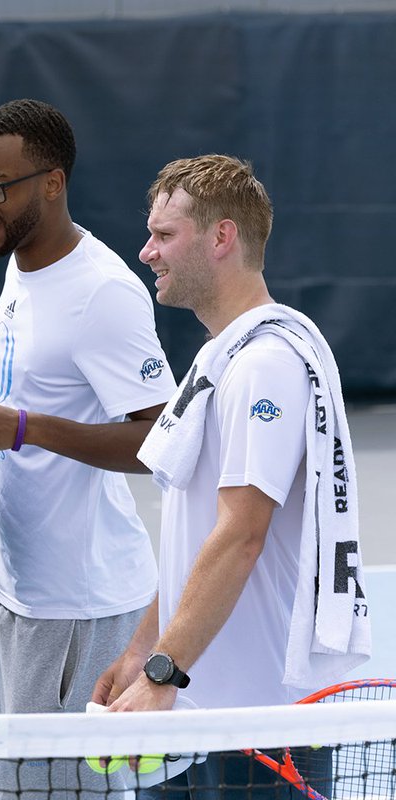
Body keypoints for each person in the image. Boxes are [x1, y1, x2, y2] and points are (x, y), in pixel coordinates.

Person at [0, 98, 177, 797]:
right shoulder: (24, 263)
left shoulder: (103, 292)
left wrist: (24, 430)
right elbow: (33, 384)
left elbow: (161, 437)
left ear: (51, 183)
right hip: (5, 591)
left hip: (77, 604)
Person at [94, 155, 368, 796]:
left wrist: (163, 672)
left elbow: (242, 534)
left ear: (222, 237)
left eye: (164, 235)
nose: (146, 251)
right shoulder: (223, 361)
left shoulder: (264, 366)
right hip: (199, 718)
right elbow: (195, 542)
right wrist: (142, 650)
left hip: (259, 735)